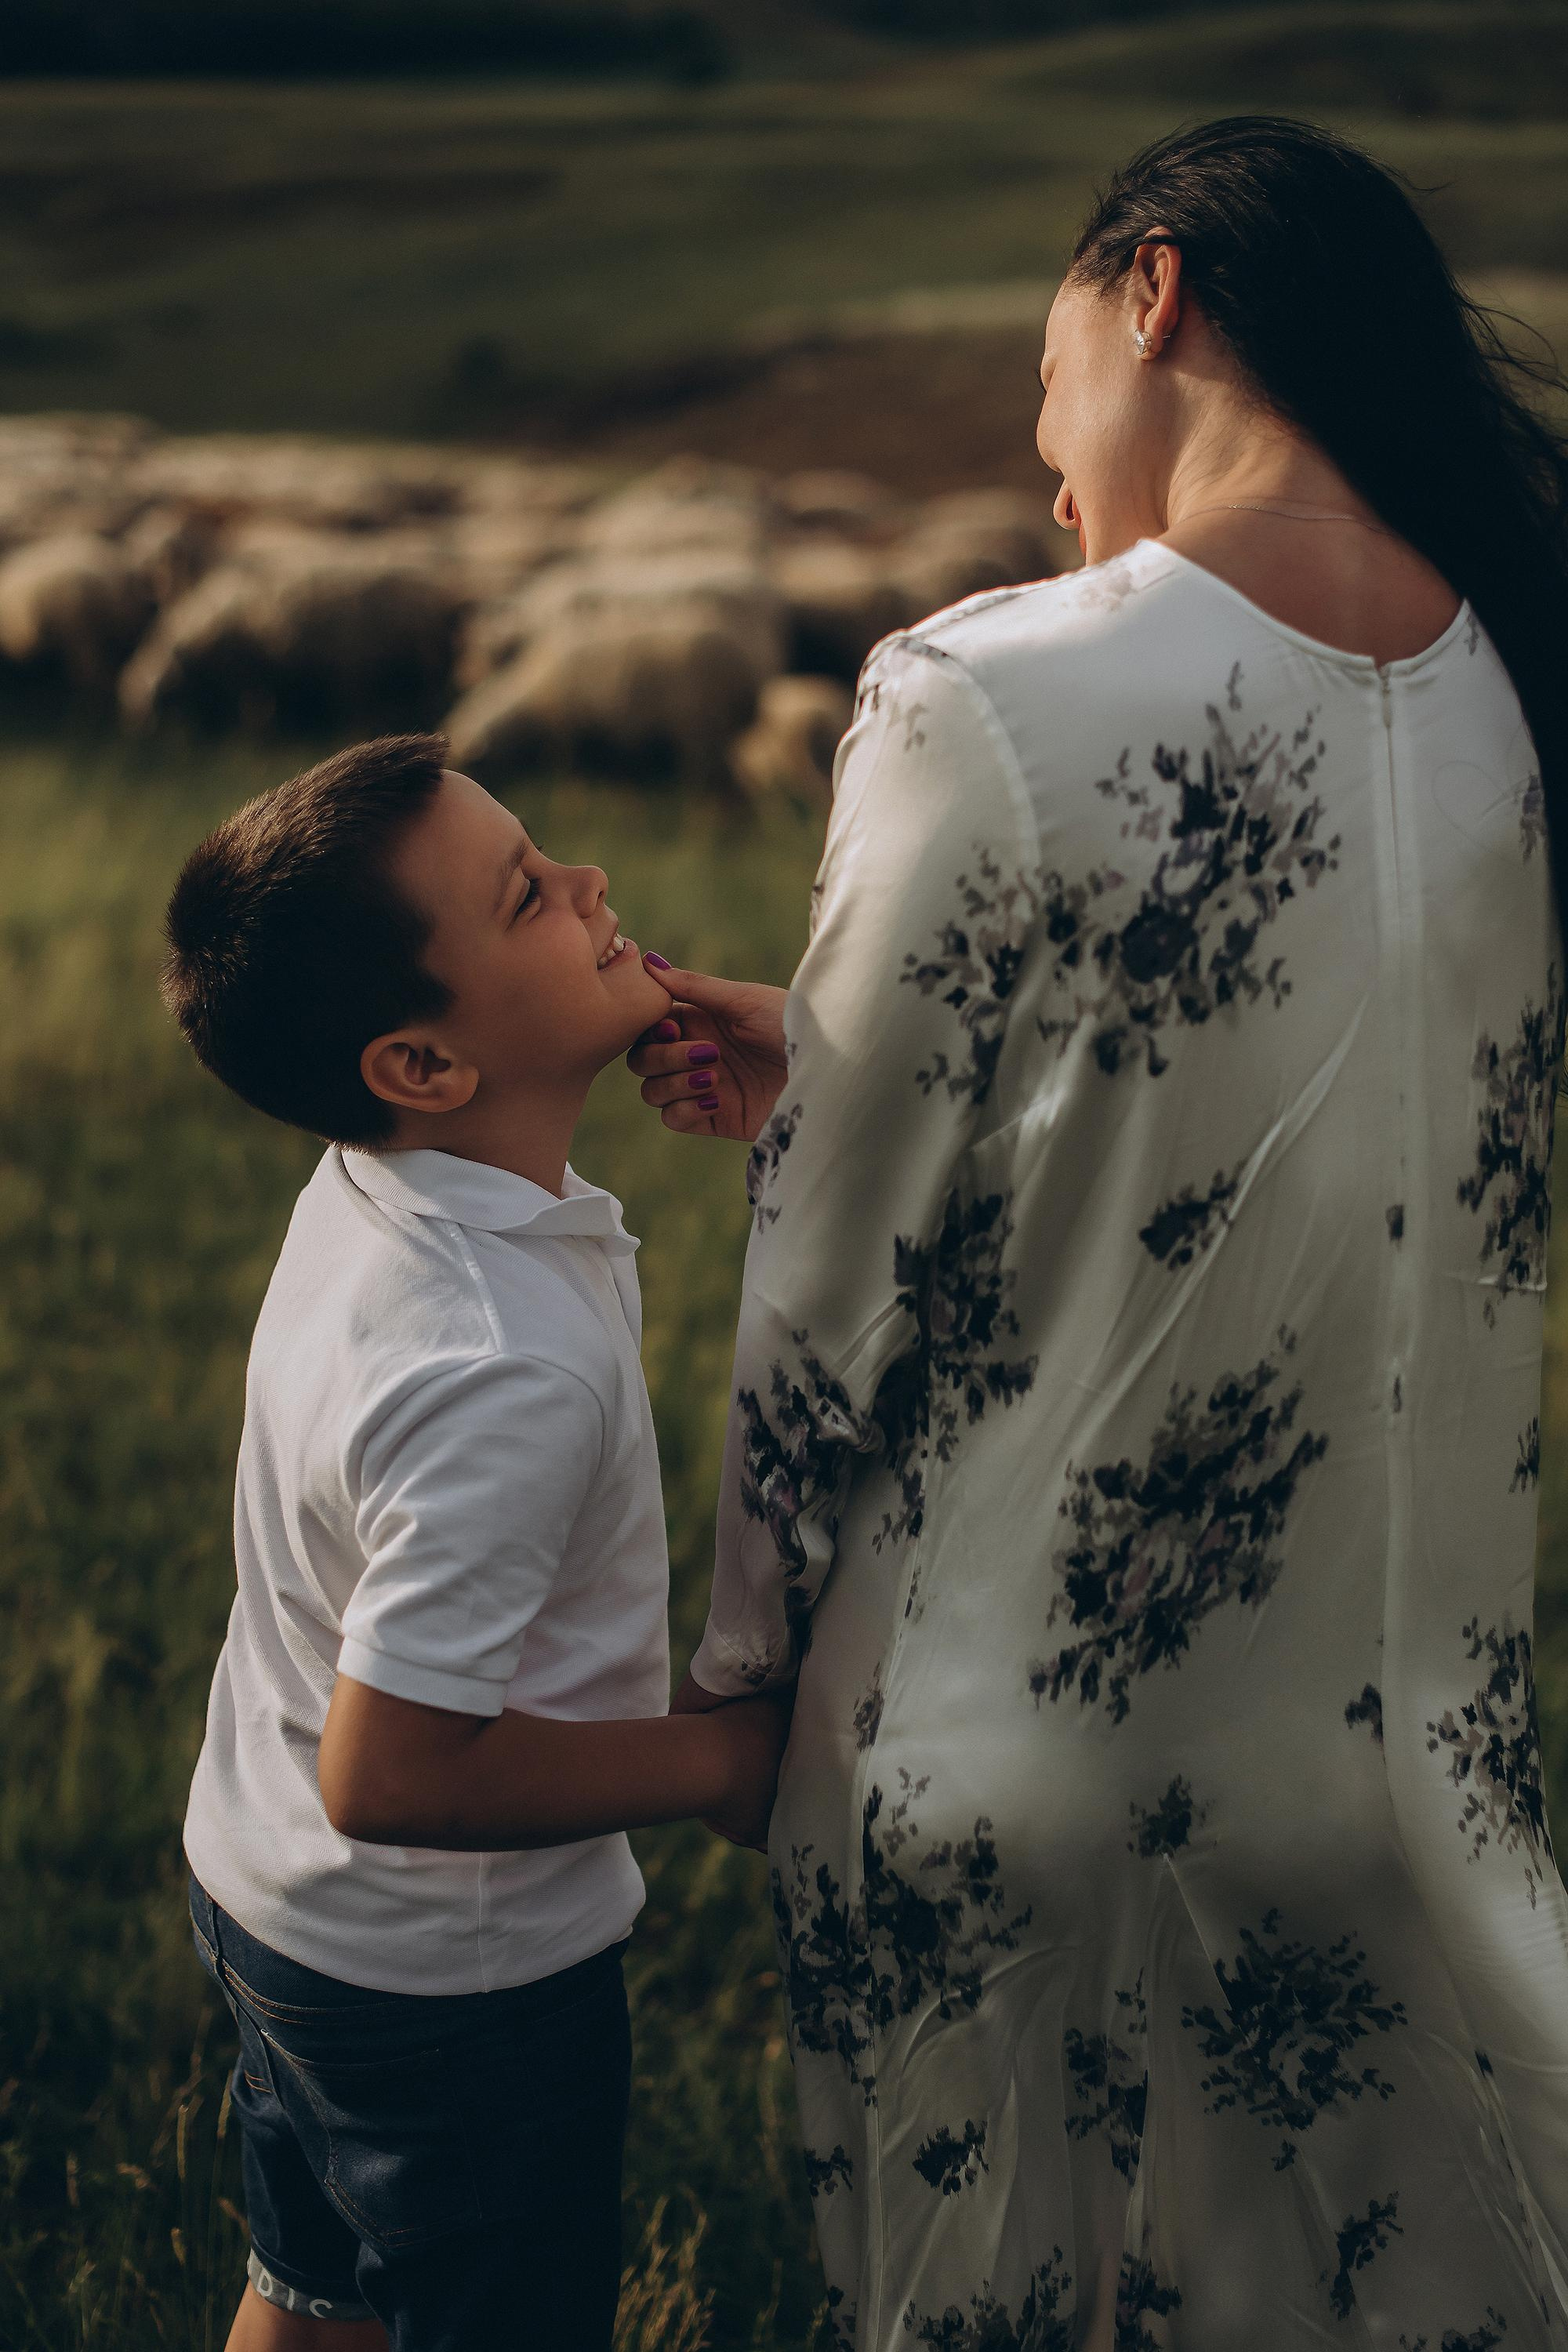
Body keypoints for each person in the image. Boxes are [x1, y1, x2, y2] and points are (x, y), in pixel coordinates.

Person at [629, 118, 1568, 2349]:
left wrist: (744, 1672)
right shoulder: (1519, 698)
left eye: (1048, 397)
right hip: (1403, 1786)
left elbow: (835, 1286)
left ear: (1153, 293)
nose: (1056, 476)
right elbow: (1325, 1109)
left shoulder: (986, 689)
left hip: (1008, 1756)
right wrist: (873, 1056)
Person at [161, 734, 788, 2352]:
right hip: (451, 1992)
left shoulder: (380, 1193)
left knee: (309, 2289)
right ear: (420, 1066)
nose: (586, 883)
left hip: (270, 1898)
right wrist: (717, 1767)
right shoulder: (496, 1362)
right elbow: (397, 1776)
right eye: (526, 894)